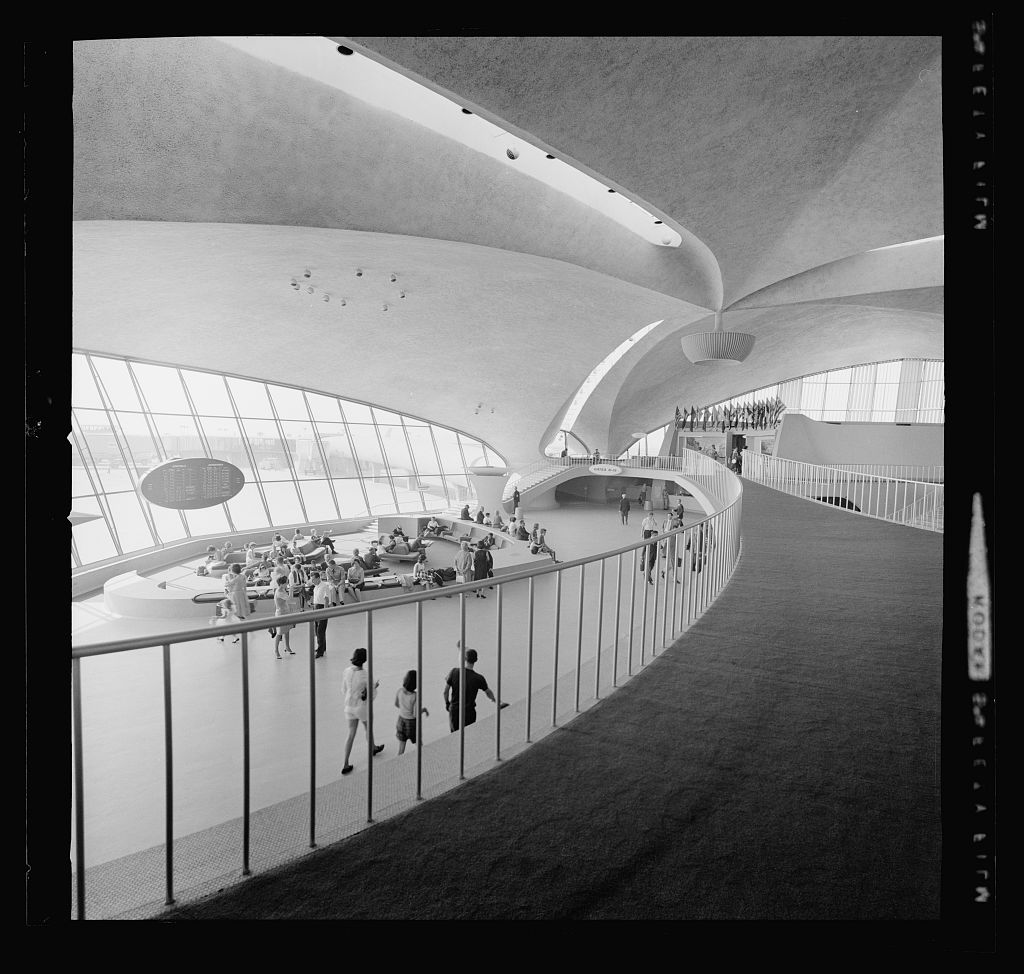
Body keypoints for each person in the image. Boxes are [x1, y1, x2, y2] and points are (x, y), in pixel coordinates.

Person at [340, 647, 384, 774]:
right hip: (361, 707)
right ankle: (373, 748)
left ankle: (345, 763)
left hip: (348, 706)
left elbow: (343, 689)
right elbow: (371, 694)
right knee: (368, 728)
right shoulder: (365, 675)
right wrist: (374, 686)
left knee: (350, 734)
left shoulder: (347, 671)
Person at [444, 648, 505, 732]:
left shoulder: (454, 672)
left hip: (455, 711)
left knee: (455, 735)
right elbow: (488, 692)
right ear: (476, 660)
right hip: (469, 712)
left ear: (464, 659)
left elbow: (445, 692)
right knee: (469, 735)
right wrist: (495, 700)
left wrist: (447, 704)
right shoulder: (478, 678)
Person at [394, 670, 429, 755]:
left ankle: (397, 764)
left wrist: (404, 709)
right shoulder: (415, 696)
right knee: (419, 744)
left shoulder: (399, 691)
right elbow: (415, 713)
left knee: (401, 748)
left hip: (401, 721)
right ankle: (424, 759)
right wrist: (424, 710)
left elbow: (396, 704)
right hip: (411, 724)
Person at [272, 576, 296, 658]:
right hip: (281, 614)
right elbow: (290, 599)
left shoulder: (282, 590)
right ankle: (276, 650)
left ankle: (287, 647)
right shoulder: (279, 592)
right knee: (279, 633)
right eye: (286, 583)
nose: (287, 584)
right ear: (281, 584)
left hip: (286, 612)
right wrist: (291, 589)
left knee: (287, 630)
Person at [311, 571, 332, 658]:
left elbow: (326, 599)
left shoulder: (324, 586)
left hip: (322, 608)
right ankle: (322, 647)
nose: (312, 581)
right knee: (317, 629)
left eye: (313, 579)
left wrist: (325, 611)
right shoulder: (315, 587)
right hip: (316, 608)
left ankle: (320, 652)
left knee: (320, 630)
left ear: (318, 578)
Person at [640, 511, 659, 584]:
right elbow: (642, 527)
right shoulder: (645, 520)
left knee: (651, 566)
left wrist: (654, 520)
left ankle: (646, 574)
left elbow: (656, 525)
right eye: (650, 515)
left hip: (651, 531)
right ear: (648, 515)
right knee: (649, 566)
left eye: (652, 515)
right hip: (647, 531)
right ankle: (649, 578)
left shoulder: (653, 520)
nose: (651, 516)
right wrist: (641, 533)